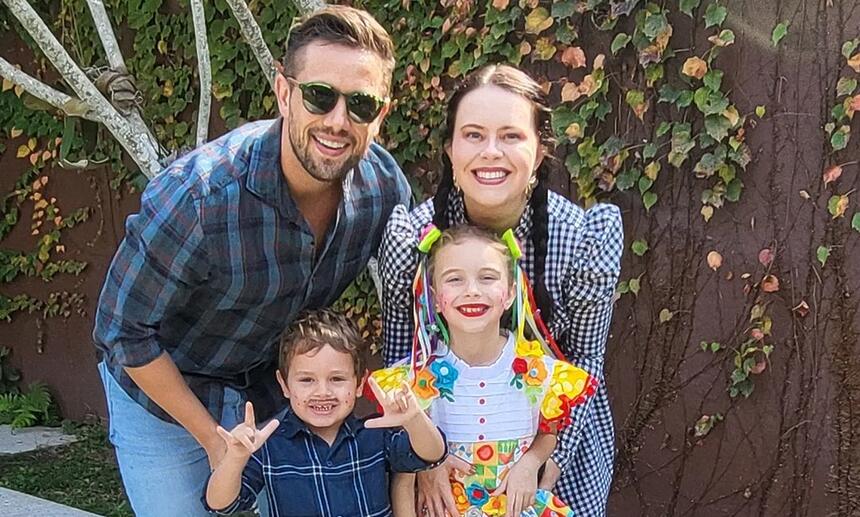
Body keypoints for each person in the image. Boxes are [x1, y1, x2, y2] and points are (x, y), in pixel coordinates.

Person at [92, 6, 410, 515]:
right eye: (319, 95)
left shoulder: (384, 190)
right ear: (285, 93)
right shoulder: (199, 197)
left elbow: (417, 301)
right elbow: (122, 332)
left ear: (382, 114)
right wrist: (214, 440)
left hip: (268, 391)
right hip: (165, 392)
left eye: (362, 104)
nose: (337, 121)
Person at [379, 64, 623, 516]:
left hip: (551, 450)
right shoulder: (412, 238)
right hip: (442, 458)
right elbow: (401, 355)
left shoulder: (583, 238)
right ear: (450, 149)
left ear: (540, 149)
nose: (491, 152)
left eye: (511, 135)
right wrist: (421, 459)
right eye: (473, 135)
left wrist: (545, 462)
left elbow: (586, 362)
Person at [373, 225, 598, 516]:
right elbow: (404, 473)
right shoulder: (416, 377)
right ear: (435, 297)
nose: (472, 291)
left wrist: (530, 463)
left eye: (487, 278)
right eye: (454, 279)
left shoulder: (537, 370)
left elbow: (548, 431)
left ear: (510, 294)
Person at [203, 309, 446, 515]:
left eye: (337, 379)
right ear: (284, 385)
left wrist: (414, 419)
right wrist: (234, 459)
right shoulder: (269, 444)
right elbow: (220, 504)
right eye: (307, 380)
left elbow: (432, 454)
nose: (323, 392)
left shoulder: (374, 432)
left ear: (360, 383)